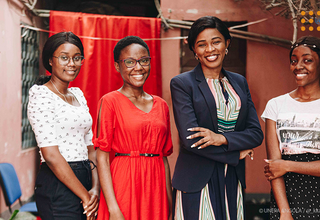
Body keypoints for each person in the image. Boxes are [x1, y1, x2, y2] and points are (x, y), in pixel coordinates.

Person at [170, 16, 263, 220]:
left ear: (227, 43)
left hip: (232, 178)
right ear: (194, 50)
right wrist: (234, 154)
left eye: (216, 41)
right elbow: (190, 139)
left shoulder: (239, 82)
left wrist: (223, 138)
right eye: (202, 44)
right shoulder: (182, 84)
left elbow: (256, 133)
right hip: (197, 181)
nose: (210, 49)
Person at [94, 36, 173, 220]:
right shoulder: (109, 101)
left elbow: (164, 159)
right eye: (129, 62)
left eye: (144, 61)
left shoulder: (161, 105)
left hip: (156, 188)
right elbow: (102, 158)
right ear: (117, 66)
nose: (138, 68)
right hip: (124, 185)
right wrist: (113, 208)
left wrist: (170, 205)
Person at [28, 32, 99, 220]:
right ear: (51, 60)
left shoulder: (77, 95)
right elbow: (51, 156)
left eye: (77, 58)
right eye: (64, 58)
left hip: (85, 179)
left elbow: (90, 146)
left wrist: (95, 188)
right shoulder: (41, 96)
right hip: (58, 184)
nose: (72, 64)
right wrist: (85, 196)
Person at [262, 36, 320, 220]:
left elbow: (279, 165)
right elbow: (274, 166)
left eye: (307, 60)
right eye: (294, 61)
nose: (298, 66)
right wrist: (284, 213)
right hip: (286, 198)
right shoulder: (275, 105)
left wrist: (286, 165)